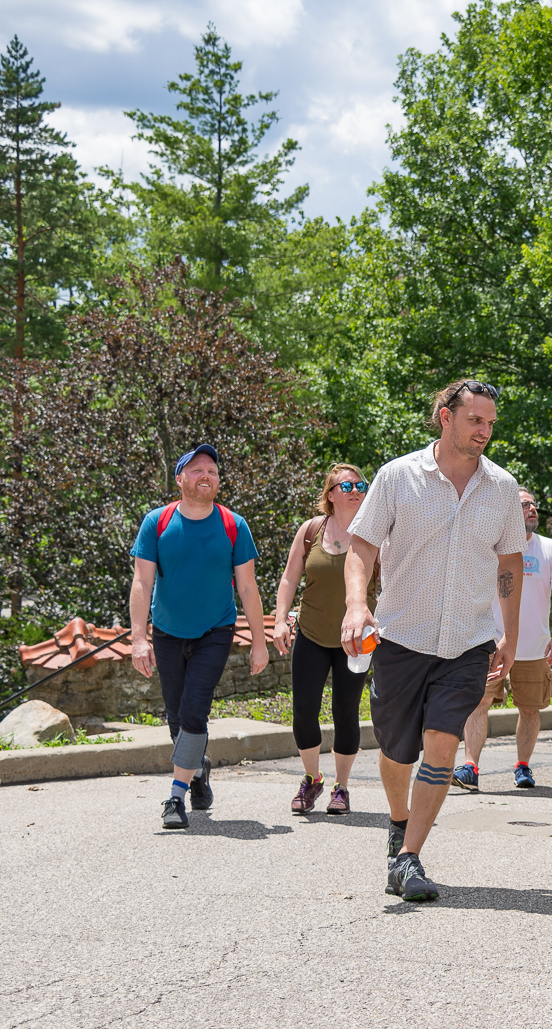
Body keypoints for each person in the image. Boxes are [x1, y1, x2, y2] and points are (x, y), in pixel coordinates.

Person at [341, 379, 527, 902]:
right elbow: (362, 544)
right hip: (402, 636)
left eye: (490, 423)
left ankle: (410, 857)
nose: (485, 431)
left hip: (468, 642)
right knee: (398, 751)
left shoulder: (502, 488)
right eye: (475, 420)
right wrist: (358, 605)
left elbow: (510, 561)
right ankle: (400, 822)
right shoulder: (398, 476)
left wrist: (507, 633)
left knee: (442, 743)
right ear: (445, 417)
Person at [129, 444, 268, 830]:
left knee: (194, 710)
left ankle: (175, 796)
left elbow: (248, 586)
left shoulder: (233, 524)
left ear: (218, 482)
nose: (205, 475)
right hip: (168, 632)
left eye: (211, 470)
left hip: (215, 631)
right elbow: (142, 580)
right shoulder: (156, 522)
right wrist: (138, 638)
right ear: (180, 479)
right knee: (176, 716)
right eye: (196, 470)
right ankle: (198, 768)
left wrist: (259, 642)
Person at [271, 464, 378, 815]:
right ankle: (312, 778)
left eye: (361, 484)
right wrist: (281, 620)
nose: (355, 490)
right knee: (303, 711)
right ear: (330, 494)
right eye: (345, 485)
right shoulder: (311, 530)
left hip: (356, 640)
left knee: (345, 712)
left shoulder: (376, 533)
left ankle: (341, 788)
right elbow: (289, 579)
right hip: (312, 633)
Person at [454, 487, 552, 791]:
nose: (532, 509)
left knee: (530, 709)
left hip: (534, 648)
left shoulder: (549, 549)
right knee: (479, 701)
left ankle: (522, 766)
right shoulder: (490, 547)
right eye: (524, 505)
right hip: (490, 643)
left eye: (533, 504)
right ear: (508, 511)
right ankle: (470, 767)